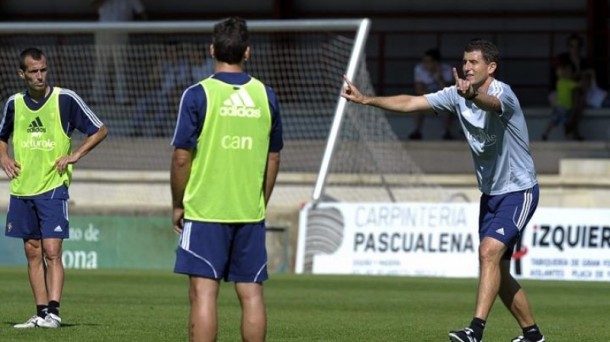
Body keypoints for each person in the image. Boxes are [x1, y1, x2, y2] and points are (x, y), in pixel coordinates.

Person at [341, 39, 545, 342]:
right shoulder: (455, 94)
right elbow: (411, 103)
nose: (467, 67)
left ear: (491, 68)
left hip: (519, 190)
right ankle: (532, 335)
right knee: (497, 270)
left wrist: (473, 94)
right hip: (490, 194)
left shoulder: (503, 94)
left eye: (474, 62)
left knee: (488, 252)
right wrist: (367, 100)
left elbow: (492, 104)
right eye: (465, 62)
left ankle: (474, 331)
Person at [170, 17, 283, 342]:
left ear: (212, 50)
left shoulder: (197, 95)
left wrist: (178, 204)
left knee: (203, 294)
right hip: (249, 211)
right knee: (252, 294)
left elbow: (181, 157)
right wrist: (259, 200)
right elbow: (273, 157)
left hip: (206, 210)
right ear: (247, 52)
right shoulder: (266, 95)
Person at [0, 47, 108, 328]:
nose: (39, 76)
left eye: (43, 70)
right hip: (23, 189)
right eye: (33, 71)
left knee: (52, 251)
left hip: (52, 187)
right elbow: (2, 136)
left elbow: (100, 129)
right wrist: (4, 158)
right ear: (21, 73)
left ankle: (54, 313)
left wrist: (75, 155)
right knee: (32, 252)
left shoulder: (65, 99)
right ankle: (40, 313)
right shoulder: (14, 103)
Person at [91, 0, 146, 104]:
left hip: (121, 31)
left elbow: (141, 13)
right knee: (101, 65)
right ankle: (97, 97)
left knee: (120, 66)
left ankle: (122, 98)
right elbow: (94, 5)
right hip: (102, 30)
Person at [408, 48, 454, 140]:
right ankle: (417, 131)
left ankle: (446, 132)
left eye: (428, 61)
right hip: (428, 98)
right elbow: (419, 89)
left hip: (443, 99)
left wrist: (439, 77)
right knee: (417, 103)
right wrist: (434, 96)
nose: (425, 64)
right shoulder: (419, 69)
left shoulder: (447, 69)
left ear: (436, 62)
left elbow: (450, 91)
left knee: (450, 104)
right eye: (424, 61)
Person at [542, 60, 583, 141]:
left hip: (563, 106)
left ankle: (546, 133)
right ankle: (548, 134)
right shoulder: (565, 82)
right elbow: (578, 85)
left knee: (557, 121)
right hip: (563, 107)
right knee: (562, 122)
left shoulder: (561, 82)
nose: (568, 73)